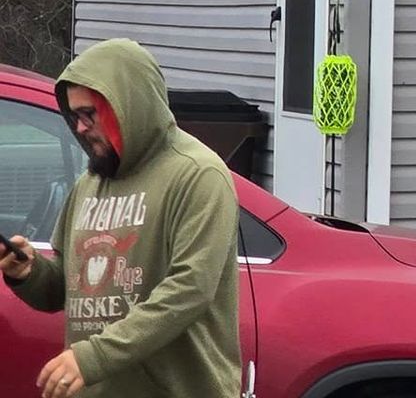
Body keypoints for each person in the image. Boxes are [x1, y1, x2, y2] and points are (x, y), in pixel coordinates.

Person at [0, 39, 241, 398]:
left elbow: (189, 290)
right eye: (74, 117)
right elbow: (65, 289)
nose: (79, 128)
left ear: (131, 105)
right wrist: (28, 272)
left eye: (90, 114)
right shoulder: (89, 184)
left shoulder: (197, 175)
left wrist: (93, 357)